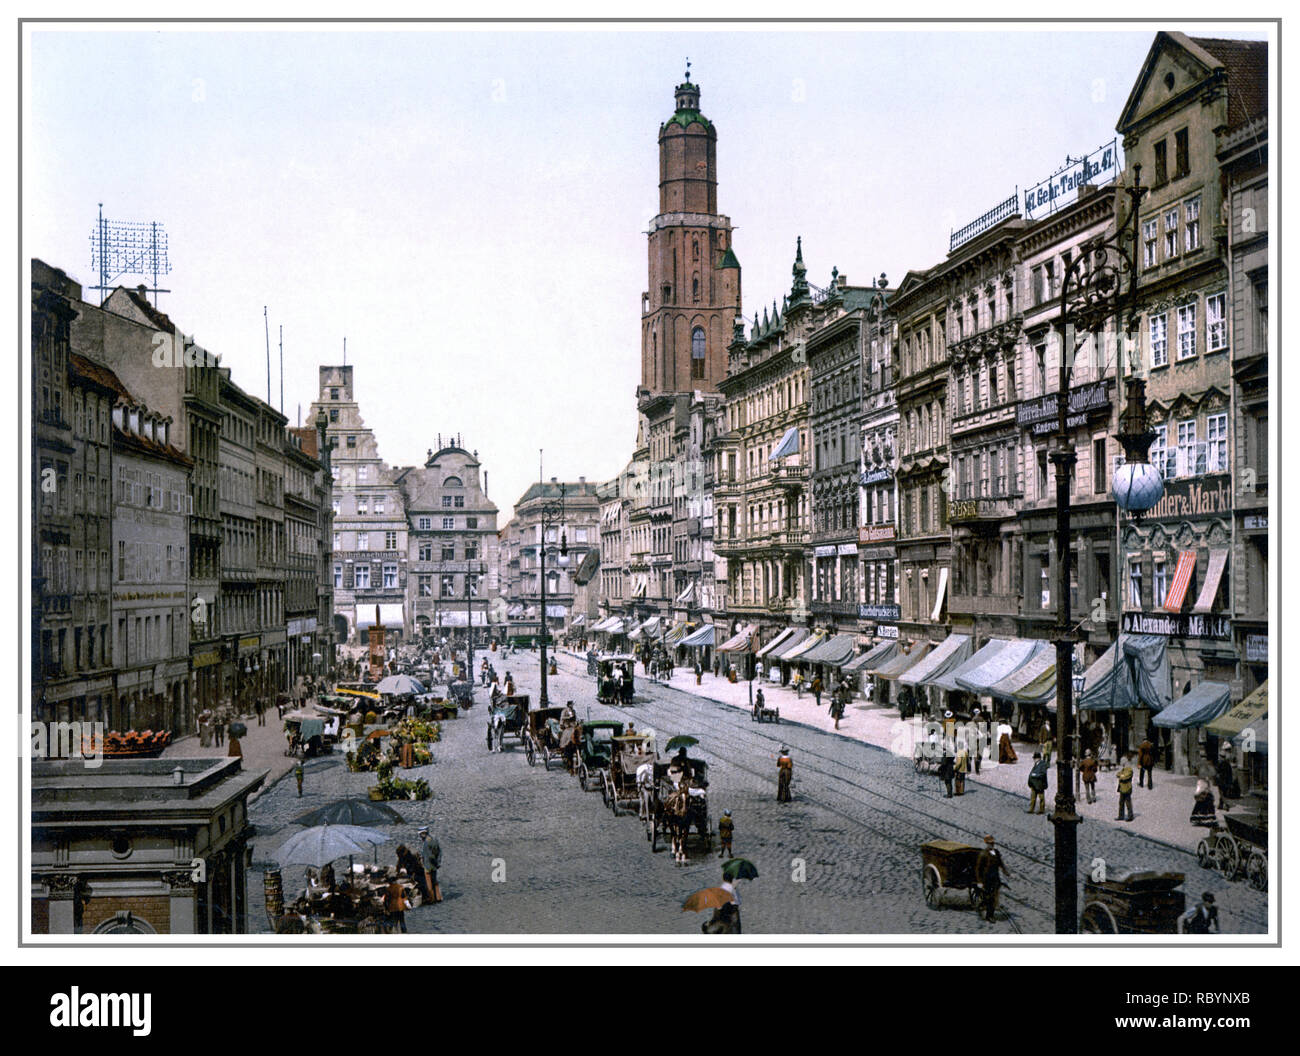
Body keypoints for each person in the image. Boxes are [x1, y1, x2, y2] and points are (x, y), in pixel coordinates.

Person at [974, 835, 1011, 923]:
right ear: (986, 843)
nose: (992, 845)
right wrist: (979, 881)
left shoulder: (996, 852)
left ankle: (990, 915)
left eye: (993, 843)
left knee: (994, 897)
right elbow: (978, 868)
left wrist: (1005, 871)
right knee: (989, 897)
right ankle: (988, 915)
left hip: (995, 878)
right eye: (990, 843)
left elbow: (1000, 863)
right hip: (986, 879)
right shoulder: (983, 853)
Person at [418, 826, 443, 904]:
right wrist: (437, 862)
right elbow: (439, 851)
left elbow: (428, 855)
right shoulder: (433, 839)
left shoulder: (426, 843)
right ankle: (438, 897)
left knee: (429, 882)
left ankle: (431, 898)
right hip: (435, 865)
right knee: (435, 881)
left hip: (428, 865)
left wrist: (423, 859)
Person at [1116, 754, 1135, 821]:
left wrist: (1121, 775)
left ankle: (1130, 816)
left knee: (1128, 803)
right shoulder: (1124, 769)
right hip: (1122, 788)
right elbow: (1118, 774)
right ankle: (1121, 816)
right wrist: (1121, 775)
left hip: (1127, 788)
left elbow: (1124, 777)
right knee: (1121, 802)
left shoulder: (1129, 769)